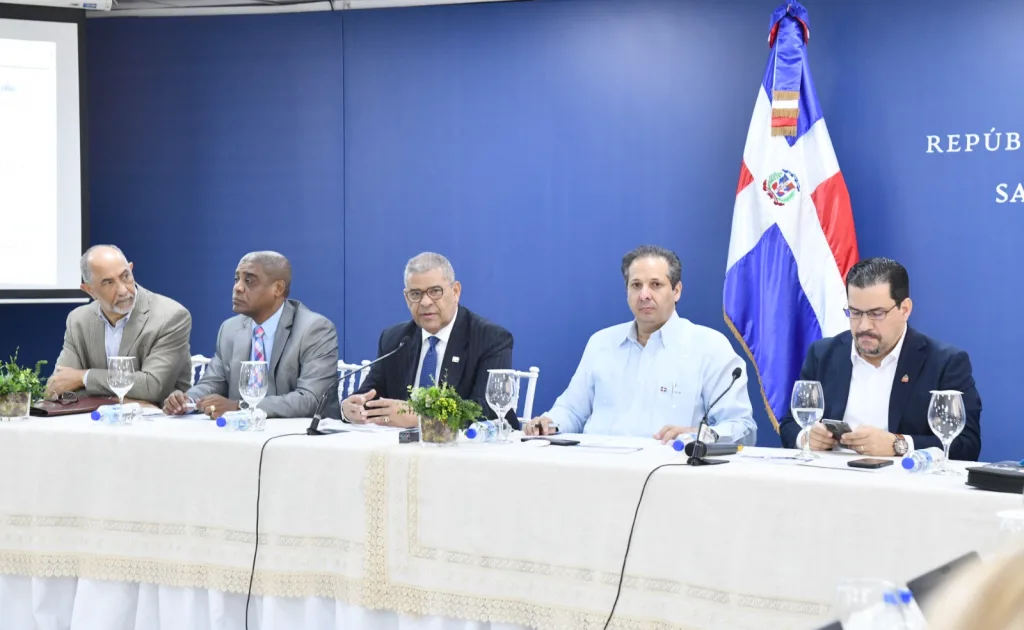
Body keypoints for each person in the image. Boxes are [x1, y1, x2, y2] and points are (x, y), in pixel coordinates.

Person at [525, 245, 756, 444]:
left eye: (656, 284)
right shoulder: (601, 343)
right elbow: (572, 411)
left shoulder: (710, 347)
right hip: (596, 467)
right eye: (636, 285)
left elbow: (743, 428)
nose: (644, 294)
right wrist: (549, 423)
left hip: (669, 471)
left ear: (676, 291)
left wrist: (699, 435)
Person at [778, 258, 982, 460]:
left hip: (904, 478)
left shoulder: (945, 363)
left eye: (876, 314)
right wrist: (806, 437)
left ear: (905, 309)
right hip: (830, 476)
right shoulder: (823, 354)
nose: (864, 326)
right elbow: (790, 424)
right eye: (855, 313)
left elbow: (967, 444)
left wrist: (898, 444)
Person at [341, 252, 515, 429]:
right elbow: (370, 395)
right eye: (416, 294)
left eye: (435, 291)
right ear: (406, 298)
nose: (425, 302)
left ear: (455, 292)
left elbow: (488, 410)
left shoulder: (490, 338)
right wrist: (350, 409)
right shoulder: (395, 339)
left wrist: (422, 419)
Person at [163, 251, 339, 419]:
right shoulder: (230, 329)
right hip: (242, 432)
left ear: (277, 288)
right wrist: (187, 400)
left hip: (298, 434)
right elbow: (212, 383)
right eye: (236, 279)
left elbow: (311, 399)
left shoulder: (314, 329)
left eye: (249, 281)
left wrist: (241, 406)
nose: (237, 287)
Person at [48, 245, 192, 405]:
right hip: (96, 418)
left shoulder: (170, 317)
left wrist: (83, 377)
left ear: (131, 269)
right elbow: (58, 387)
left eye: (125, 276)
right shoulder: (78, 320)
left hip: (157, 417)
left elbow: (152, 387)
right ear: (89, 290)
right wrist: (114, 400)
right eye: (108, 282)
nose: (123, 290)